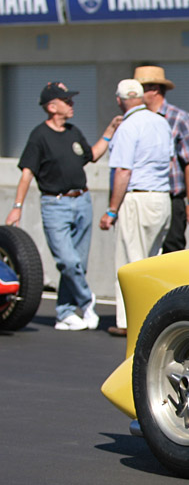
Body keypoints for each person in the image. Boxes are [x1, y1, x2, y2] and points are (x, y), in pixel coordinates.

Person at [6, 82, 121, 331]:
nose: (72, 104)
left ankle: (65, 313)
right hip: (55, 204)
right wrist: (17, 206)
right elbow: (27, 174)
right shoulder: (39, 136)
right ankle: (86, 299)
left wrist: (110, 130)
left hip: (82, 201)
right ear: (52, 106)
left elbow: (91, 155)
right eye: (66, 101)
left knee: (79, 262)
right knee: (68, 261)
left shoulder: (73, 131)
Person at [99, 79, 173, 337]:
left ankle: (129, 321)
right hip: (161, 197)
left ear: (120, 100)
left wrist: (111, 209)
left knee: (129, 262)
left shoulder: (128, 126)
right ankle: (153, 317)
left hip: (137, 198)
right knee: (153, 261)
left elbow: (123, 171)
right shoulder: (162, 122)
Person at [133, 65, 189, 253]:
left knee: (172, 250)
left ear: (154, 89)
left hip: (172, 196)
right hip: (142, 195)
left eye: (139, 89)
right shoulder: (135, 120)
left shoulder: (179, 118)